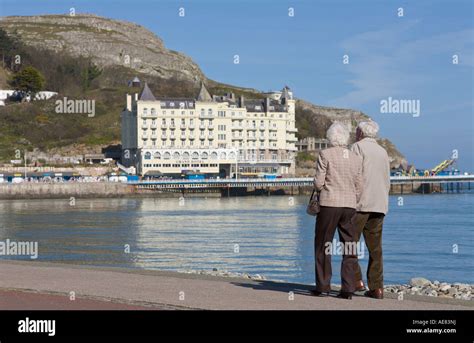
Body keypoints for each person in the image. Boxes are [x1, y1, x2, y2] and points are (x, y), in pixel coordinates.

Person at [311, 122, 362, 299]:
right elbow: (359, 185)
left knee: (323, 245)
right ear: (345, 138)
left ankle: (323, 287)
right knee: (349, 246)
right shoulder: (356, 157)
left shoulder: (325, 154)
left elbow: (318, 183)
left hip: (329, 205)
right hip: (349, 206)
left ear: (330, 138)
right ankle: (348, 289)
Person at [351, 121, 390, 299]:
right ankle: (377, 288)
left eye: (356, 130)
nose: (355, 133)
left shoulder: (357, 148)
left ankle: (356, 280)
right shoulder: (383, 151)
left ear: (361, 133)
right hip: (379, 203)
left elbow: (353, 175)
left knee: (349, 242)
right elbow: (386, 179)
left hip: (360, 204)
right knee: (375, 248)